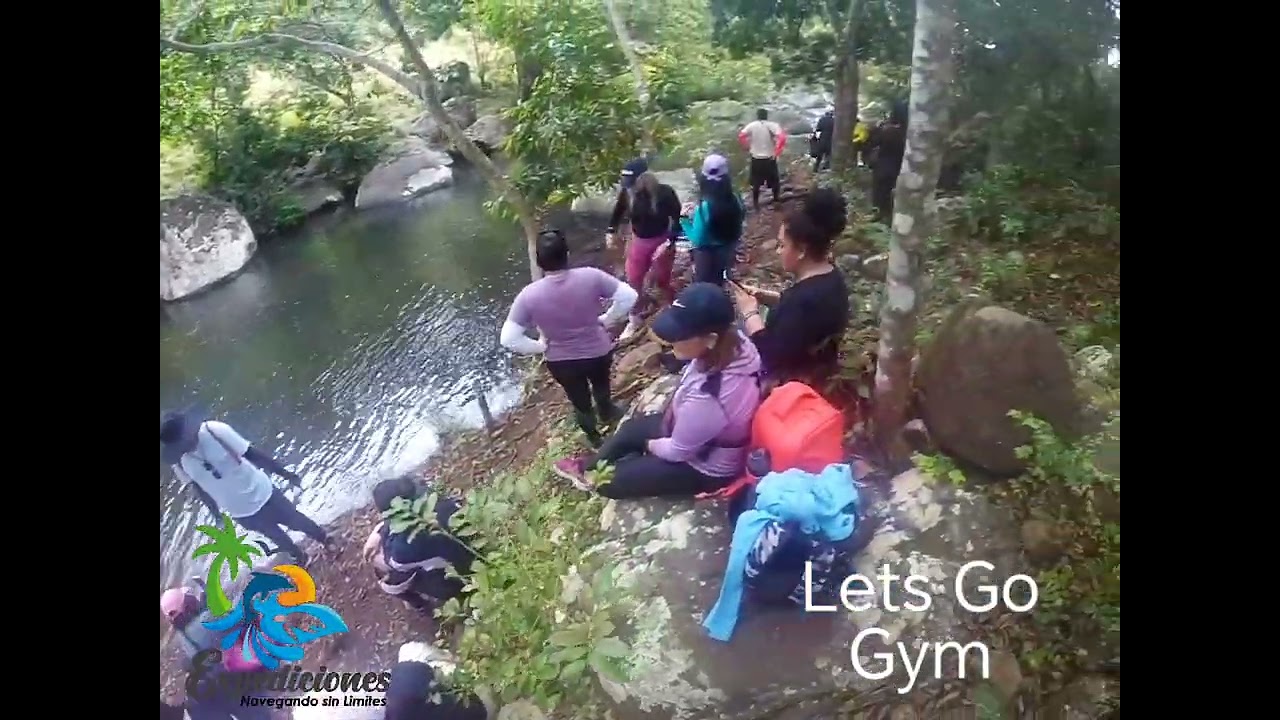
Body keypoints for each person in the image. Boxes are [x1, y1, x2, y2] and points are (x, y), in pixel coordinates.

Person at [551, 283, 762, 498]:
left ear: (710, 339)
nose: (670, 339)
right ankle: (588, 466)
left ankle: (600, 476)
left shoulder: (709, 399)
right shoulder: (736, 342)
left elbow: (679, 451)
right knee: (630, 430)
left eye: (680, 335)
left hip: (703, 466)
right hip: (698, 434)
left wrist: (650, 445)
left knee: (607, 482)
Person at [500, 229, 638, 445]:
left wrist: (539, 347)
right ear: (567, 253)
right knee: (601, 385)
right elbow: (629, 296)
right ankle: (607, 412)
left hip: (561, 361)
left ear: (539, 261)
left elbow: (508, 338)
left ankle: (594, 438)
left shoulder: (528, 296)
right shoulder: (591, 276)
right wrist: (608, 319)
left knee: (579, 400)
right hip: (598, 352)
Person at [161, 409, 335, 566]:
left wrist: (286, 474)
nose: (187, 443)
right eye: (181, 444)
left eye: (186, 436)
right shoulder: (180, 463)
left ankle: (325, 539)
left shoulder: (214, 431)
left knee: (295, 520)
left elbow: (252, 454)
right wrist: (217, 516)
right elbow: (198, 488)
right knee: (275, 535)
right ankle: (300, 558)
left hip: (263, 492)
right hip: (240, 512)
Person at [730, 188, 851, 385]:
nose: (778, 251)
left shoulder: (801, 301)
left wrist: (750, 313)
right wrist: (765, 296)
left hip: (790, 378)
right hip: (818, 363)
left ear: (802, 250)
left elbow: (770, 355)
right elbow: (806, 316)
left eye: (782, 245)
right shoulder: (831, 276)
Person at [361, 476, 477, 613]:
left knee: (386, 579)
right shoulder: (428, 493)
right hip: (477, 543)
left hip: (464, 576)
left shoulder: (404, 545)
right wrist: (380, 531)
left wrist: (377, 534)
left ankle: (420, 605)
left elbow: (392, 562)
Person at [161, 585, 274, 720]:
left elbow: (188, 664)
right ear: (188, 605)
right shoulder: (208, 620)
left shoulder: (182, 640)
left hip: (222, 688)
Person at [607, 167, 683, 340]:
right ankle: (634, 318)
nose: (630, 187)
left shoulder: (664, 193)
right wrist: (610, 231)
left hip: (662, 240)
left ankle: (672, 309)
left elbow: (679, 218)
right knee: (633, 279)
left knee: (662, 279)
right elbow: (617, 212)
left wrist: (670, 241)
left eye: (633, 183)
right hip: (639, 241)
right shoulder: (628, 194)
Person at [681, 154, 745, 287]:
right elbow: (740, 217)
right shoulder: (735, 198)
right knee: (720, 281)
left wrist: (684, 220)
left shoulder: (705, 207)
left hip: (707, 255)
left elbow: (697, 239)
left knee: (704, 285)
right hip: (728, 248)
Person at [865, 100, 909, 224]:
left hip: (883, 165)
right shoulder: (908, 132)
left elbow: (871, 143)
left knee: (880, 191)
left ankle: (880, 215)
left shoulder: (885, 129)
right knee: (895, 192)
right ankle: (893, 217)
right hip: (901, 166)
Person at [738, 109, 786, 209]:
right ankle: (776, 200)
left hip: (756, 158)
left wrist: (746, 146)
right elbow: (782, 137)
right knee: (774, 181)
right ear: (766, 116)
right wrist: (777, 151)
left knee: (756, 181)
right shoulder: (773, 125)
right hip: (769, 158)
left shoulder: (752, 125)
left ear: (757, 116)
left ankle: (756, 203)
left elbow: (741, 135)